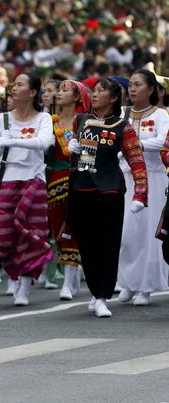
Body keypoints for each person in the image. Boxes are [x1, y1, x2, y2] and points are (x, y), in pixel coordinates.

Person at [67, 77, 148, 317]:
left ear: (113, 98)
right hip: (81, 189)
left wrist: (140, 194)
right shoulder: (80, 121)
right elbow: (73, 155)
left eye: (101, 91)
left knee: (109, 244)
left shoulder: (123, 127)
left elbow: (137, 162)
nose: (95, 94)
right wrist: (69, 146)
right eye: (94, 90)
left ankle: (103, 295)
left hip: (110, 190)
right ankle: (96, 292)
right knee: (87, 244)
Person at [0, 72, 55, 306]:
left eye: (19, 84)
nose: (13, 88)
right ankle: (14, 274)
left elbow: (44, 142)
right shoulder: (2, 120)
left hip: (34, 179)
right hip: (8, 180)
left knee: (32, 233)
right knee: (5, 236)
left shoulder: (44, 119)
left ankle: (25, 285)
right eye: (13, 84)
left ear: (34, 91)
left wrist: (13, 141)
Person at [117, 69, 169, 306]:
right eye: (130, 85)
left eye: (138, 85)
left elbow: (163, 141)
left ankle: (146, 288)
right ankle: (128, 283)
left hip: (153, 177)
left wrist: (132, 144)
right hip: (127, 178)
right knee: (127, 233)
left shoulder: (161, 115)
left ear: (151, 89)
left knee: (148, 234)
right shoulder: (121, 113)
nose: (132, 89)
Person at [50, 80, 90, 300]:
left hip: (78, 178)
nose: (59, 93)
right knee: (59, 231)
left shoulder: (85, 121)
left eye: (65, 90)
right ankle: (71, 277)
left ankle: (68, 280)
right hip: (55, 181)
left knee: (73, 229)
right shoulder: (49, 121)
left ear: (76, 97)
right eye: (59, 90)